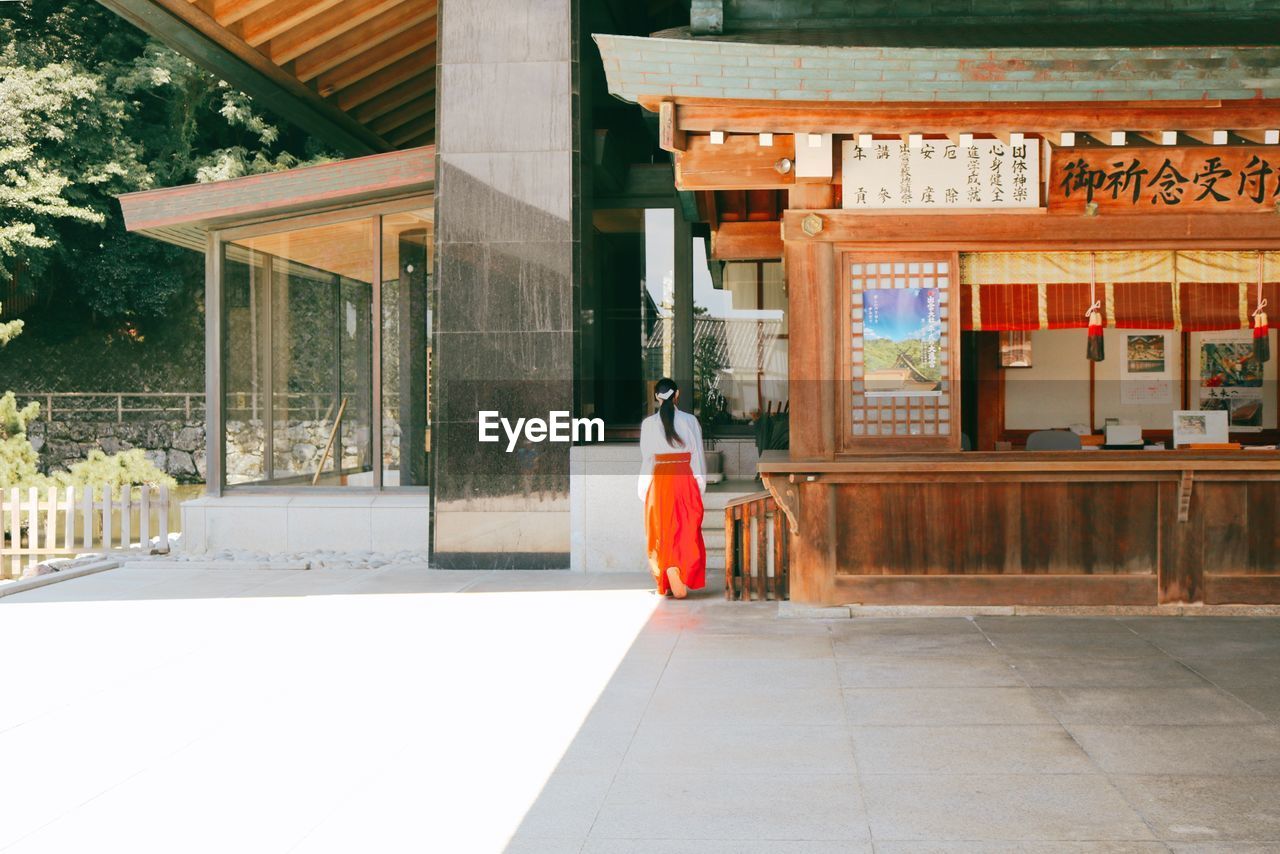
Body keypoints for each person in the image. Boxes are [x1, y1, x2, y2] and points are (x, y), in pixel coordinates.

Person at [637, 377, 707, 598]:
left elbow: (647, 458)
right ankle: (680, 569)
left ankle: (666, 574)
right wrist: (700, 484)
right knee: (686, 527)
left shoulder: (649, 424)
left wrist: (644, 488)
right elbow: (697, 456)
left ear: (656, 397)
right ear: (677, 395)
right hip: (684, 477)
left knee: (661, 529)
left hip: (660, 480)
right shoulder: (690, 421)